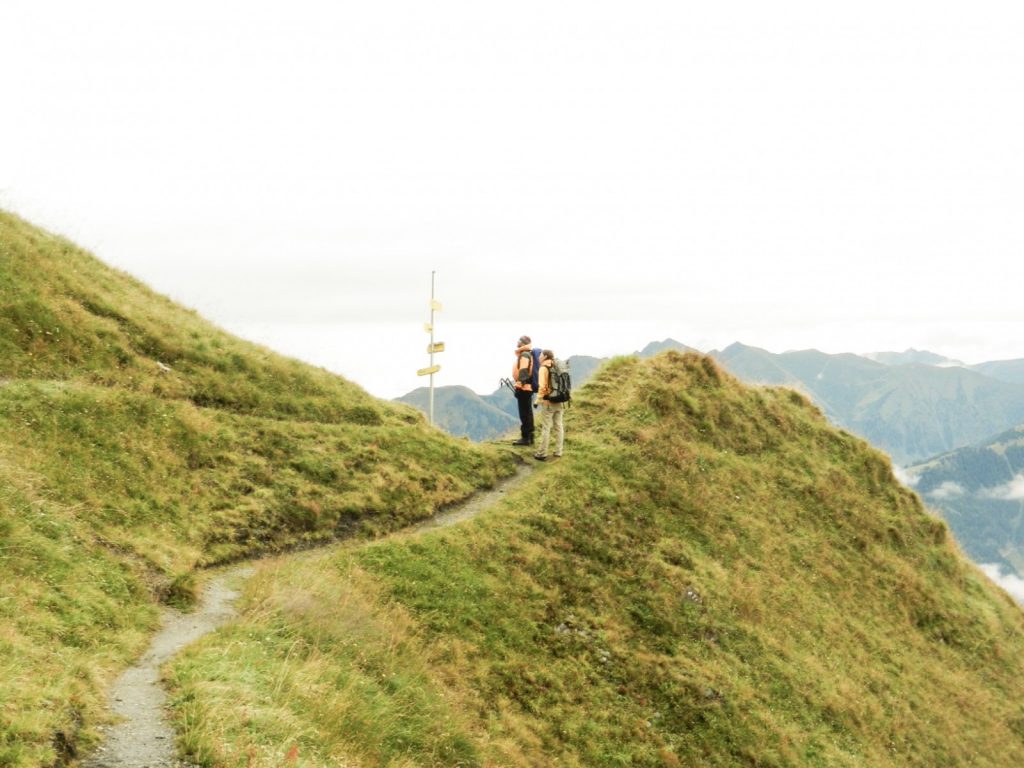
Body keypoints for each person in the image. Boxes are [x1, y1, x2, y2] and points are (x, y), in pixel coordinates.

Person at [533, 349, 564, 461]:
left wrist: (537, 401)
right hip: (560, 400)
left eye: (541, 355)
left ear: (545, 356)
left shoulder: (543, 368)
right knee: (559, 426)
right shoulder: (557, 365)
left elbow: (542, 387)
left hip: (548, 402)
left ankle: (542, 453)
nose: (539, 356)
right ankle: (558, 451)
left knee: (546, 428)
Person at [511, 335, 535, 446]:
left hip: (524, 388)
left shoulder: (524, 354)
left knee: (524, 413)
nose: (517, 342)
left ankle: (525, 438)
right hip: (527, 387)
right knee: (528, 412)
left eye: (519, 340)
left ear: (523, 343)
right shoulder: (527, 353)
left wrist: (519, 386)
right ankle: (530, 437)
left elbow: (523, 371)